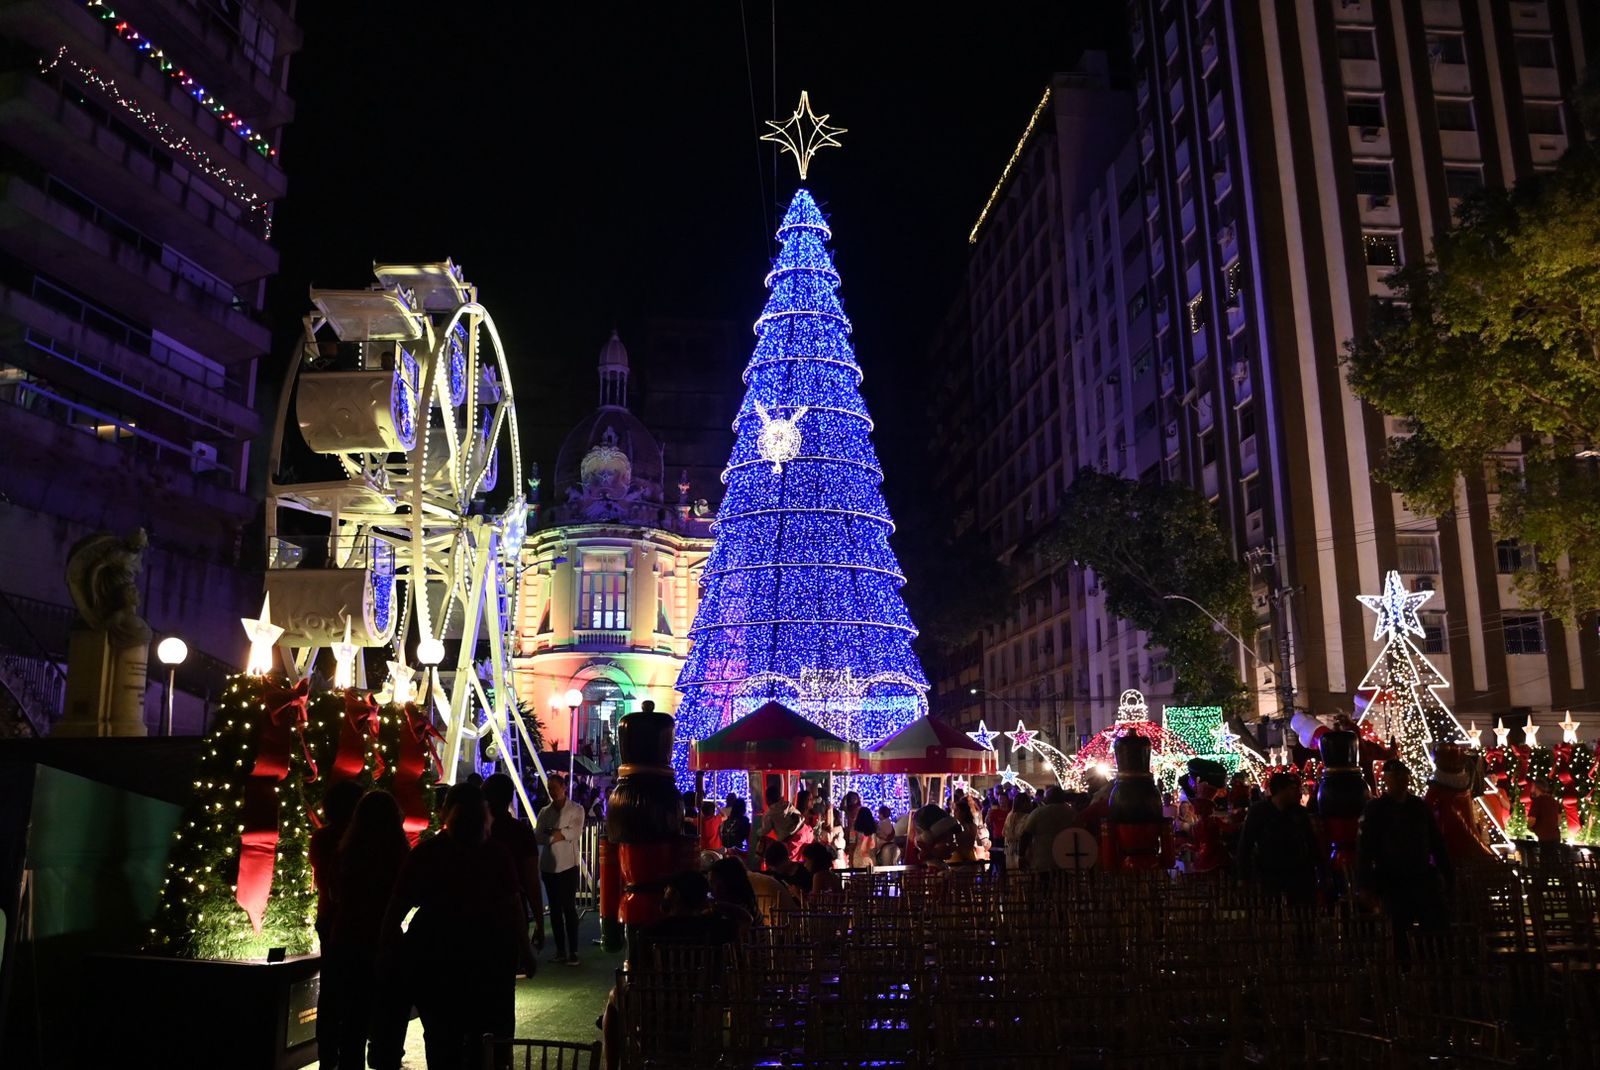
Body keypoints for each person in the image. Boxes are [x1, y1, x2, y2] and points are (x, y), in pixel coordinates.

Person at [382, 781, 531, 1070]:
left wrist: (388, 946)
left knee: (441, 1040)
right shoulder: (495, 854)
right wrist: (524, 948)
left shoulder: (427, 853)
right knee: (489, 1037)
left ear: (446, 812)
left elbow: (397, 906)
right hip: (489, 955)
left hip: (436, 958)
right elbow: (513, 905)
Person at [327, 790, 411, 1070]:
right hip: (384, 940)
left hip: (347, 938)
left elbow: (334, 894)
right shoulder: (398, 852)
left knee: (352, 1023)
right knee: (388, 1019)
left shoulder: (346, 852)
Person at [1357, 761, 1453, 959]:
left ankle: (1436, 965)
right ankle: (1405, 969)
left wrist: (1447, 874)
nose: (1401, 780)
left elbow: (1436, 842)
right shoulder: (1376, 809)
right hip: (1393, 879)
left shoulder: (1419, 807)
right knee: (1399, 933)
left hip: (1421, 876)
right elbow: (1365, 849)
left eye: (1404, 775)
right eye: (1396, 776)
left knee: (1436, 929)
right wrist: (1365, 884)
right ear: (1386, 779)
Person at [310, 778, 365, 1069]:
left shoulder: (322, 838)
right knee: (357, 993)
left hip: (329, 918)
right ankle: (351, 1055)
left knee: (331, 989)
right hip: (357, 921)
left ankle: (328, 1055)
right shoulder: (365, 839)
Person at [483, 773, 545, 957]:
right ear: (510, 798)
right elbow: (531, 880)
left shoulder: (476, 833)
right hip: (511, 911)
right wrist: (539, 922)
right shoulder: (521, 832)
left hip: (479, 912)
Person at [1235, 773, 1318, 902]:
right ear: (1280, 790)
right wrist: (1243, 876)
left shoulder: (1299, 812)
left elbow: (1311, 842)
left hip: (1298, 874)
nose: (1298, 793)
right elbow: (1245, 844)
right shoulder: (1259, 812)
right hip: (1269, 874)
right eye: (1293, 788)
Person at [535, 773, 586, 966]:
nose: (552, 792)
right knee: (555, 910)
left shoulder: (576, 809)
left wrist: (556, 833)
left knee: (569, 908)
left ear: (564, 787)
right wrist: (559, 834)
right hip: (549, 866)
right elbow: (538, 835)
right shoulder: (544, 812)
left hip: (568, 866)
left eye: (555, 788)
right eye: (549, 789)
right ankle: (561, 951)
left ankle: (573, 951)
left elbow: (576, 832)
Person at [1018, 787, 1077, 872]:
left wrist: (1021, 855)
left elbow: (1026, 835)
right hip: (1067, 858)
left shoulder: (1038, 812)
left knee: (1045, 879)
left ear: (1048, 798)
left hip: (1044, 858)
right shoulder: (1071, 812)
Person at [706, 856, 760, 939]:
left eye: (713, 882)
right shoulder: (746, 902)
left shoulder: (736, 910)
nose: (710, 888)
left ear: (727, 883)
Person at [755, 785, 802, 858]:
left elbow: (765, 830)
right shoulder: (787, 804)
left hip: (788, 839)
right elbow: (798, 814)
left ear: (768, 799)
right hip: (801, 830)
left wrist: (757, 832)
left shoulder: (769, 814)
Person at [1003, 793, 1034, 872]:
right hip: (1023, 851)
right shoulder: (1028, 817)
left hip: (1010, 851)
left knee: (1013, 875)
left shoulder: (1009, 816)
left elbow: (1003, 833)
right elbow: (1024, 834)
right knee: (1024, 875)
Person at [1528, 778, 1564, 843]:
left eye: (1532, 786)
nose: (1530, 788)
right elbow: (1559, 821)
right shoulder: (1554, 801)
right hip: (1556, 836)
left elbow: (1532, 820)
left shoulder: (1537, 801)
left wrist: (1529, 827)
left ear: (1537, 787)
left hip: (1544, 837)